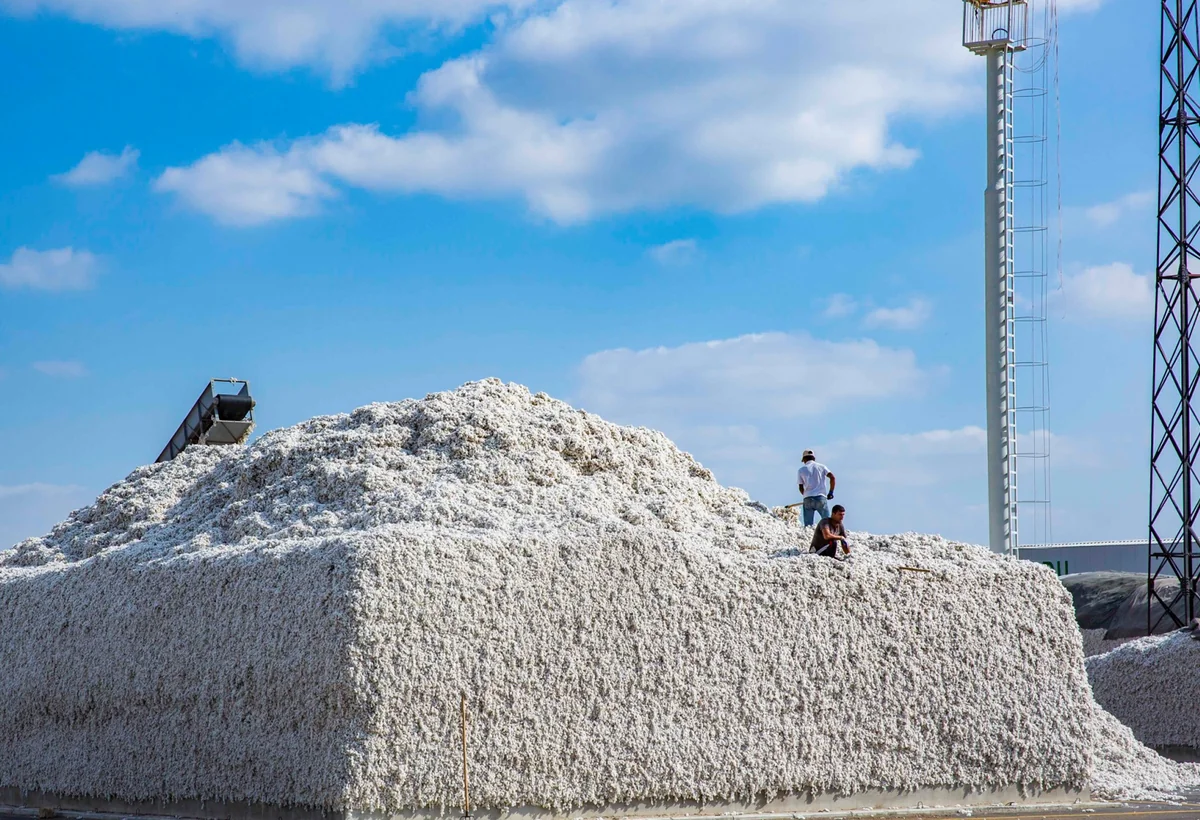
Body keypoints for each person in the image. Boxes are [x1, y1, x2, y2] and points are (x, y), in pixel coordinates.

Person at [796, 449, 836, 527]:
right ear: (813, 458)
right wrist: (831, 492)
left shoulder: (801, 470)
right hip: (820, 497)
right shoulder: (822, 467)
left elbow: (801, 486)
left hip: (808, 498)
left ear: (804, 459)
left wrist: (805, 495)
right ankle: (829, 537)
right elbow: (832, 478)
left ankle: (809, 537)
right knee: (828, 523)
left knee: (808, 526)